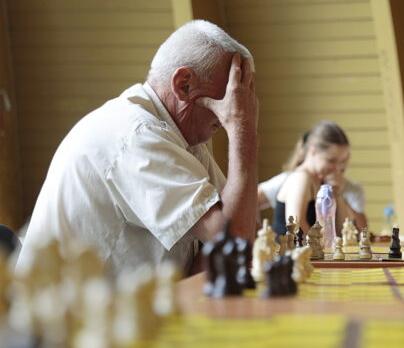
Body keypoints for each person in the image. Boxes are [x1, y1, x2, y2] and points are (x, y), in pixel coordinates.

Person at [16, 20, 259, 278]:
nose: (234, 109)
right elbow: (236, 244)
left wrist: (227, 242)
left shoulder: (183, 139)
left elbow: (241, 233)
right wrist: (244, 131)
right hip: (68, 316)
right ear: (184, 85)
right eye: (230, 95)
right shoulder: (138, 136)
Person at [258, 127, 368, 232]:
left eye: (342, 161)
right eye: (331, 161)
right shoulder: (301, 177)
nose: (338, 168)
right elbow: (297, 227)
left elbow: (340, 231)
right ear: (313, 152)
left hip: (309, 250)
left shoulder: (326, 181)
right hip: (291, 251)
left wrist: (337, 195)